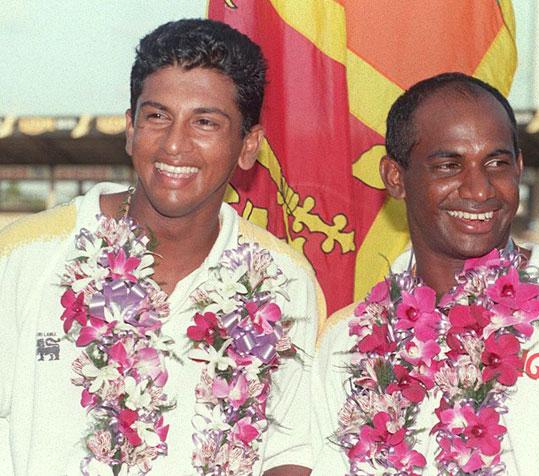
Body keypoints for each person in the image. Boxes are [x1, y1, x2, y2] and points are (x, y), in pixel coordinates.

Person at [0, 19, 323, 475]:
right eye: (157, 116)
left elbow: (291, 452)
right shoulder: (23, 257)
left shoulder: (284, 281)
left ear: (248, 146)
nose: (174, 144)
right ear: (131, 128)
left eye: (205, 123)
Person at [310, 73, 539, 474]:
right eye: (448, 165)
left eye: (496, 163)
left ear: (519, 168)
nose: (478, 189)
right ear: (395, 177)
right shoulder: (345, 341)